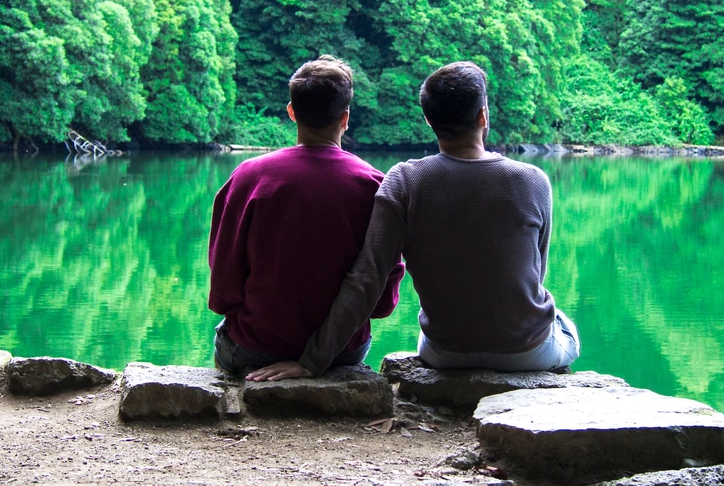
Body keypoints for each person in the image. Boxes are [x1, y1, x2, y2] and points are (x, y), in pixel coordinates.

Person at [246, 61, 579, 381]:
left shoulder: (405, 181)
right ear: (483, 116)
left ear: (428, 120)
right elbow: (535, 274)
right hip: (528, 351)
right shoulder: (532, 180)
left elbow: (366, 279)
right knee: (564, 324)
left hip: (446, 352)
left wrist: (314, 361)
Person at [208, 55, 404, 375]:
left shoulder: (248, 178)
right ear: (345, 118)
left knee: (224, 343)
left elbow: (224, 288)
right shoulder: (375, 185)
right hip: (342, 351)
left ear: (291, 112)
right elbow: (382, 299)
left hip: (256, 346)